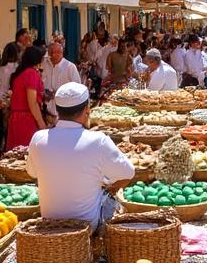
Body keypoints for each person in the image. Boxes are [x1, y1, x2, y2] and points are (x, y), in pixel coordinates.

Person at [26, 82, 136, 231]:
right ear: (87, 110)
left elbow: (31, 172)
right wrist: (112, 189)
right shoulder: (98, 140)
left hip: (50, 221)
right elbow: (129, 172)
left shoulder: (38, 138)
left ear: (58, 111)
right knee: (116, 203)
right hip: (88, 225)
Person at [7, 45, 47, 149]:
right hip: (26, 119)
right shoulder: (31, 74)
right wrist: (41, 122)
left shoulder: (21, 73)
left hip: (16, 118)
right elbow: (32, 102)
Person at [40, 41, 81, 120]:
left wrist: (58, 93)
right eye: (49, 52)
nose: (50, 55)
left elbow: (77, 88)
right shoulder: (43, 64)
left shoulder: (70, 67)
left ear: (61, 53)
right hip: (46, 110)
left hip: (63, 110)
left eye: (53, 52)